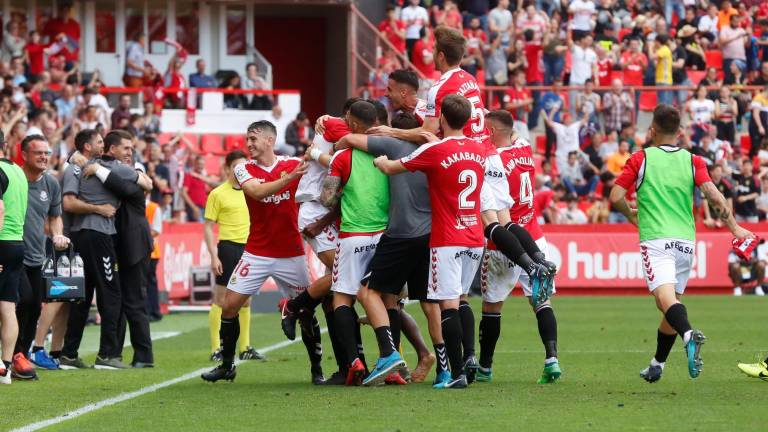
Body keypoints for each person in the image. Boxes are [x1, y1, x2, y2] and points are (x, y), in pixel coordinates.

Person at [609, 104, 754, 384]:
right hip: (686, 244)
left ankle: (689, 336)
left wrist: (630, 216)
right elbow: (713, 195)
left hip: (657, 240)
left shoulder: (641, 159)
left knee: (665, 301)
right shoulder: (693, 160)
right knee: (671, 303)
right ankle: (657, 364)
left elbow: (616, 195)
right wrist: (735, 229)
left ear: (652, 131)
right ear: (680, 132)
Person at [374, 94, 486, 389]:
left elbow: (392, 168)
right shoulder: (479, 149)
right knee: (460, 300)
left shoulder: (435, 150)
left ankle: (457, 373)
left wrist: (381, 159)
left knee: (447, 304)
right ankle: (468, 359)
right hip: (475, 236)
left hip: (448, 237)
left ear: (443, 120)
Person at [332, 111, 438, 385]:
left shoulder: (393, 148)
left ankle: (386, 357)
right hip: (432, 236)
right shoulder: (436, 153)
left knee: (360, 293)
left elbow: (344, 142)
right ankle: (446, 364)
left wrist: (325, 152)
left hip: (393, 235)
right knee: (424, 302)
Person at [201, 121, 310, 383]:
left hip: (291, 252)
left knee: (307, 312)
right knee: (229, 305)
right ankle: (227, 365)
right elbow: (257, 193)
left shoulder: (292, 162)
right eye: (247, 139)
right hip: (255, 252)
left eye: (253, 139)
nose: (248, 144)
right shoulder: (243, 169)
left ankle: (317, 369)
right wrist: (291, 178)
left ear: (270, 140)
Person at [477, 110, 562, 384]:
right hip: (535, 235)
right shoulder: (524, 148)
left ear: (489, 131)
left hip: (505, 240)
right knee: (541, 302)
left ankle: (485, 367)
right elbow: (512, 133)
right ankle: (552, 359)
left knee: (492, 307)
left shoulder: (494, 160)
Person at [317, 101, 389, 386]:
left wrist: (343, 191)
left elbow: (327, 199)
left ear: (357, 126)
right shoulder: (388, 149)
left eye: (347, 121)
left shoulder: (343, 156)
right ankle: (391, 360)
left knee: (341, 298)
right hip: (384, 235)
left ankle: (354, 362)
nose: (345, 125)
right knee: (386, 300)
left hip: (353, 234)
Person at [76, 130, 155, 368]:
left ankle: (143, 356)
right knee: (118, 301)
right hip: (117, 244)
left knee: (134, 301)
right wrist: (81, 161)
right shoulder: (112, 171)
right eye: (126, 148)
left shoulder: (126, 176)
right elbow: (77, 158)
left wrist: (98, 170)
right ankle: (113, 353)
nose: (130, 152)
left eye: (132, 149)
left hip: (134, 246)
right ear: (112, 150)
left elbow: (133, 188)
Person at [59, 129, 123, 370]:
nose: (102, 144)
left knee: (82, 297)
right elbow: (68, 202)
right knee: (110, 291)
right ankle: (107, 354)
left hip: (86, 236)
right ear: (87, 146)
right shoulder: (75, 169)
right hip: (95, 235)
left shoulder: (89, 165)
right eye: (98, 141)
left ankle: (69, 354)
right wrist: (99, 209)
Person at [14, 135, 68, 377]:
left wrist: (57, 235)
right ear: (24, 154)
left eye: (47, 153)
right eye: (39, 153)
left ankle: (21, 356)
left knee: (35, 307)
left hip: (37, 255)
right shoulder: (11, 179)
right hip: (13, 253)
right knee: (22, 301)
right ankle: (14, 354)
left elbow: (55, 217)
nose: (44, 157)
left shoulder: (51, 184)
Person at [203, 151, 264, 364]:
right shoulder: (217, 193)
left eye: (243, 167)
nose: (240, 171)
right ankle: (215, 348)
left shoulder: (252, 190)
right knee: (221, 299)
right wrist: (213, 256)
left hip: (250, 248)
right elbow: (209, 228)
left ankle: (245, 347)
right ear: (227, 168)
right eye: (237, 167)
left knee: (246, 300)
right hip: (228, 248)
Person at [0, 130, 29, 384]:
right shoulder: (18, 171)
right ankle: (6, 368)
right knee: (8, 307)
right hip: (16, 242)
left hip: (1, 241)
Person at [719, 14, 747, 83]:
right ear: (730, 21)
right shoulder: (724, 29)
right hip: (729, 58)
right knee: (729, 79)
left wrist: (749, 36)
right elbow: (722, 41)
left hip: (741, 58)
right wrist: (735, 37)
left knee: (741, 78)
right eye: (734, 21)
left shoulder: (741, 30)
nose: (736, 23)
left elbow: (746, 44)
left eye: (737, 21)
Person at [181, 155, 210, 222]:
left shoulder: (202, 177)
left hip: (203, 208)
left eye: (202, 164)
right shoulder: (189, 176)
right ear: (195, 164)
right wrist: (194, 207)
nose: (200, 166)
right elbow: (183, 193)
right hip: (194, 208)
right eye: (199, 164)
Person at [732, 158, 761, 224]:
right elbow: (730, 172)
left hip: (751, 212)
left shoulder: (755, 179)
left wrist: (745, 198)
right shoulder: (740, 176)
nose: (746, 167)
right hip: (739, 212)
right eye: (744, 165)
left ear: (751, 167)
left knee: (752, 233)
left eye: (748, 165)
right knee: (739, 233)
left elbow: (757, 193)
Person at [650, 34, 673, 106]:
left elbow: (651, 57)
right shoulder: (661, 50)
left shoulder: (664, 49)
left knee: (663, 104)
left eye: (654, 42)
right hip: (660, 79)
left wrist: (650, 47)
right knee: (660, 103)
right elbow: (655, 64)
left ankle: (665, 117)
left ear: (658, 42)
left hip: (664, 80)